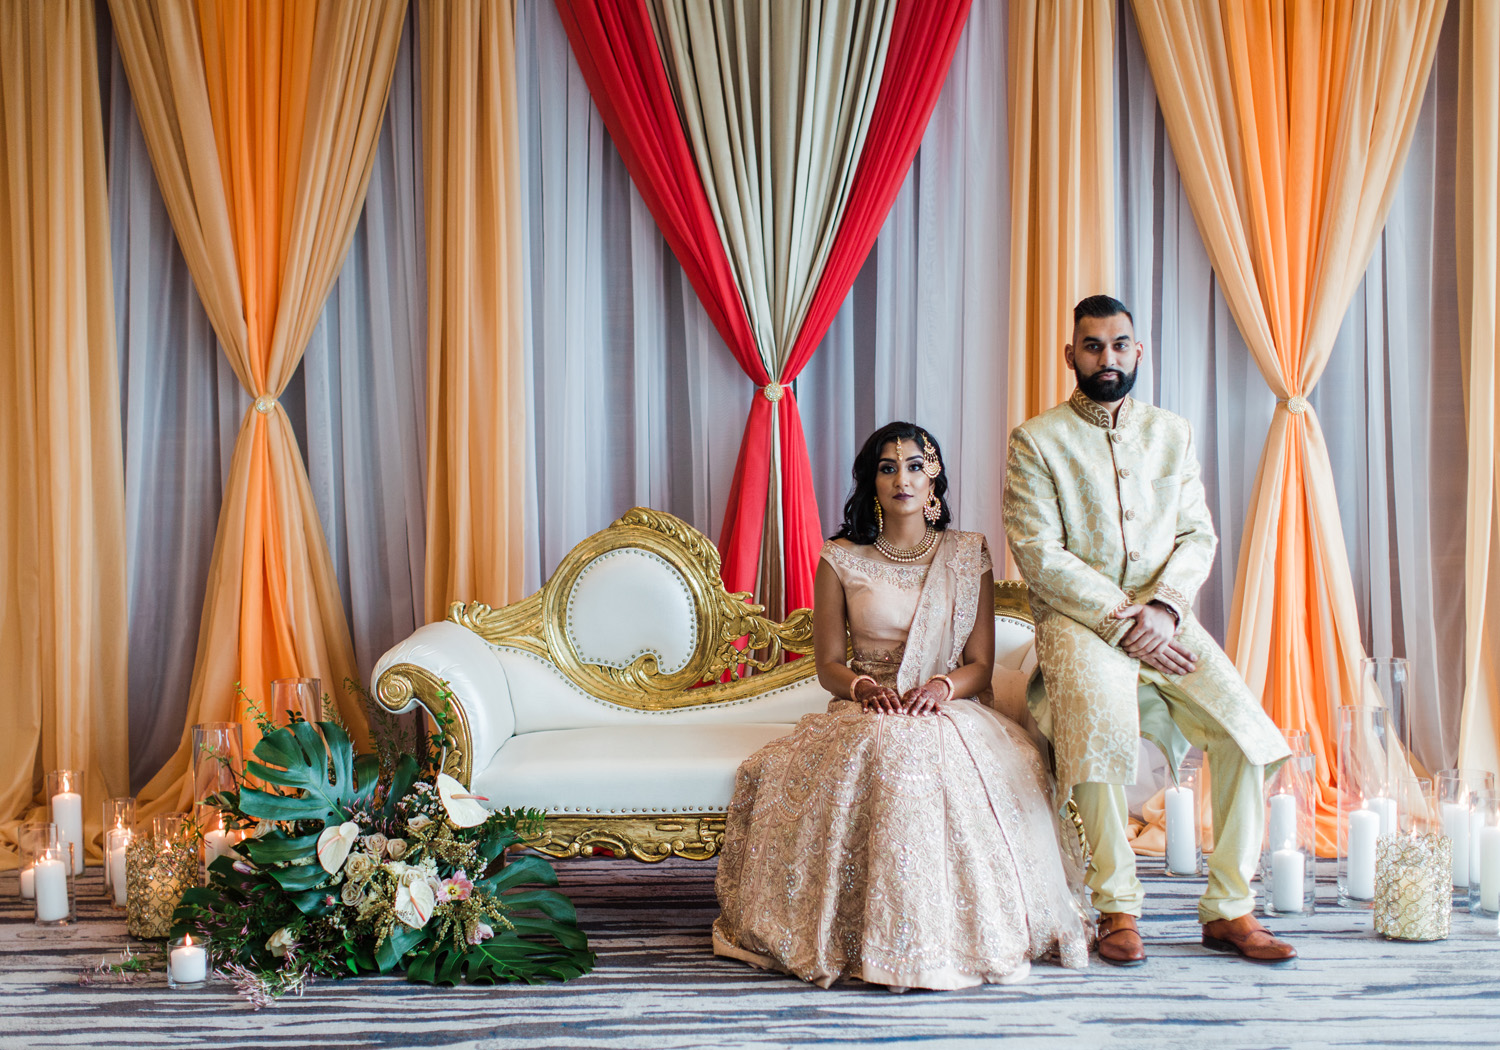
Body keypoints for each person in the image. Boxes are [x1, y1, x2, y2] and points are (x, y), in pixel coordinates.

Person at [713, 422, 1093, 990]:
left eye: (915, 465)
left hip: (947, 704)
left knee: (928, 749)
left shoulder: (967, 554)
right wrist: (866, 690)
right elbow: (829, 666)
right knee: (884, 744)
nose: (902, 478)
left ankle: (943, 937)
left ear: (933, 475)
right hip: (868, 705)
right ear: (870, 480)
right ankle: (871, 936)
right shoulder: (841, 558)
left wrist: (939, 689)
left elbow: (981, 666)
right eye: (887, 467)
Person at [1002, 294, 1296, 967]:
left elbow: (1198, 534)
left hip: (1166, 614)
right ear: (1071, 355)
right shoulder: (1036, 440)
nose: (1108, 358)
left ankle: (1229, 908)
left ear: (1139, 351)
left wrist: (1162, 609)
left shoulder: (1172, 432)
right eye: (1093, 346)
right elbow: (1041, 555)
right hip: (1082, 622)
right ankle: (1118, 907)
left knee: (1246, 735)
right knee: (1098, 732)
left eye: (1120, 344)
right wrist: (1123, 619)